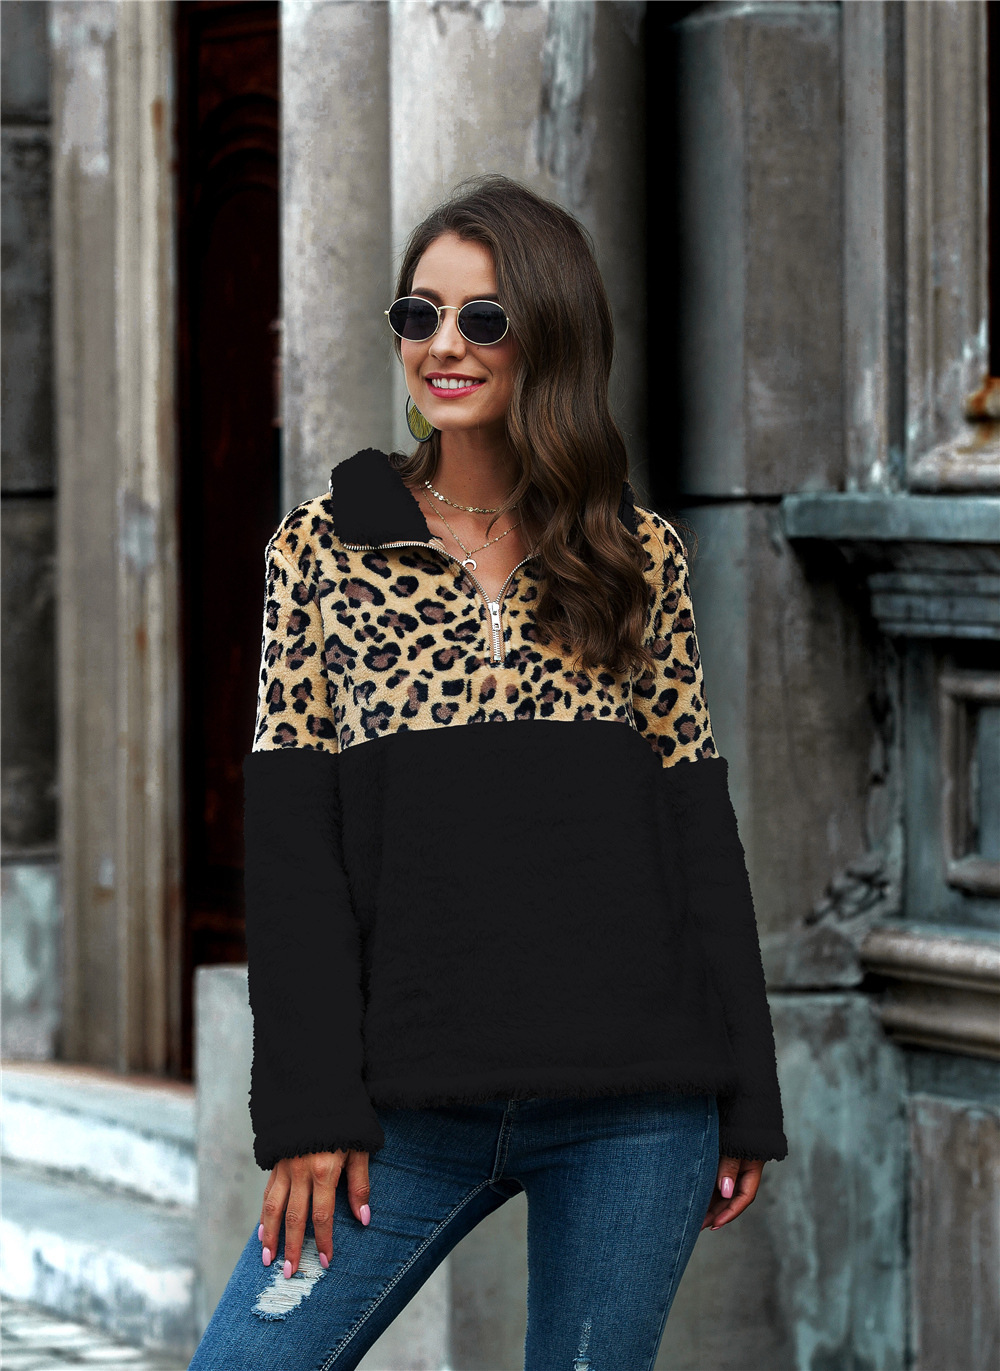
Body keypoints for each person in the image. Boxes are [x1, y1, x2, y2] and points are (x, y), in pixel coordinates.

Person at [189, 173, 787, 1370]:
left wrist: (747, 1094)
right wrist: (308, 1109)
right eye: (419, 315)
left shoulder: (632, 554)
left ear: (549, 334)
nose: (443, 345)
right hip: (407, 1109)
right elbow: (295, 852)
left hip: (637, 1105)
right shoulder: (323, 549)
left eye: (484, 318)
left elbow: (695, 833)